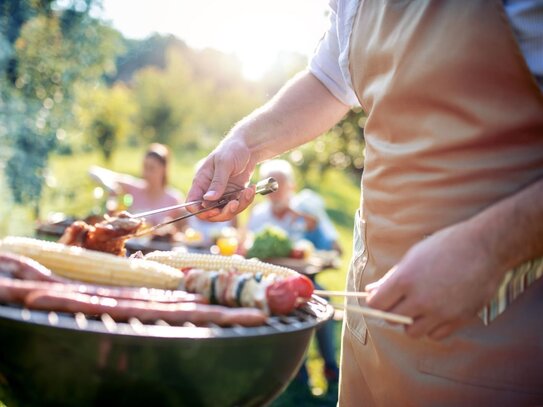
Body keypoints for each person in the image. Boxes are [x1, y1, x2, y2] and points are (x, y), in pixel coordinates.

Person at [187, 1, 543, 405]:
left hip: (492, 338)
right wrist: (244, 143)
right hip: (369, 332)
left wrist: (490, 249)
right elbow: (327, 82)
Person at [246, 159, 340, 396]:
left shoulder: (306, 211)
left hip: (305, 280)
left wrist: (304, 222)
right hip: (268, 281)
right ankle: (297, 371)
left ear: (292, 186)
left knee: (319, 298)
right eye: (270, 186)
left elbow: (335, 248)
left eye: (280, 185)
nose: (275, 192)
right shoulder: (258, 215)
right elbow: (248, 250)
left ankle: (330, 367)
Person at [89, 143, 187, 230]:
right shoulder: (134, 188)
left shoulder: (174, 199)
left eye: (151, 168)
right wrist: (111, 187)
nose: (146, 173)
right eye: (145, 167)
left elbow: (183, 231)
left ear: (164, 169)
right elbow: (93, 171)